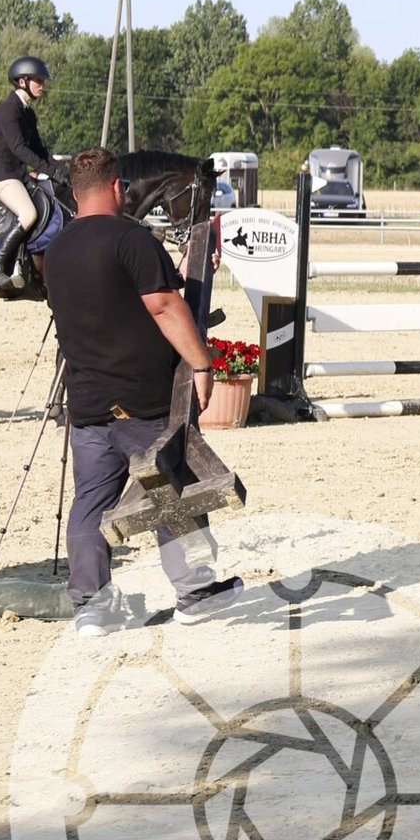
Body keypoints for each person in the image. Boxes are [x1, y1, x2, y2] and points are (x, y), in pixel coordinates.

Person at [44, 146, 243, 638]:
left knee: (91, 502)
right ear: (117, 187)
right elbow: (163, 305)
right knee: (170, 487)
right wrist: (202, 363)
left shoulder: (56, 251)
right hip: (143, 399)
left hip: (86, 404)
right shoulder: (131, 239)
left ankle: (91, 606)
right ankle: (195, 591)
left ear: (76, 192)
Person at [0, 55, 56, 288]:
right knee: (28, 213)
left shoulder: (27, 113)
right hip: (0, 174)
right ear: (22, 81)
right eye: (38, 80)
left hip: (14, 173)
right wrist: (45, 170)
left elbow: (39, 151)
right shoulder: (8, 110)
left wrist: (63, 172)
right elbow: (20, 149)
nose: (42, 85)